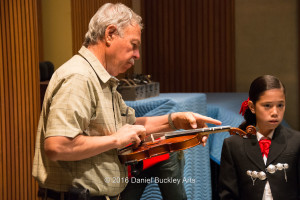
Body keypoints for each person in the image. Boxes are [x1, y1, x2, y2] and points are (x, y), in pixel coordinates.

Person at [32, 3, 222, 200]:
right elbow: (57, 146)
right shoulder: (79, 77)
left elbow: (128, 127)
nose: (137, 55)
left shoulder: (101, 78)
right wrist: (116, 140)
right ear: (110, 34)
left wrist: (175, 121)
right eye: (134, 45)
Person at [218, 75, 300, 200]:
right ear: (252, 107)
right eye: (267, 105)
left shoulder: (296, 141)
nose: (275, 112)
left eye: (280, 105)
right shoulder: (233, 145)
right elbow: (227, 195)